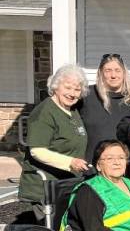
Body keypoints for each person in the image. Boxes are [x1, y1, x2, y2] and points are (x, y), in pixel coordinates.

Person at [19, 64, 89, 219]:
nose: (72, 93)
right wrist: (71, 162)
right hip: (46, 186)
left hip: (65, 183)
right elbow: (37, 151)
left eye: (77, 89)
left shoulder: (72, 110)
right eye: (68, 87)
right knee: (52, 230)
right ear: (56, 87)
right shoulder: (44, 112)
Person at [79, 54, 130, 163]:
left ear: (124, 73)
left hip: (124, 167)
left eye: (117, 70)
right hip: (92, 166)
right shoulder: (86, 96)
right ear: (100, 73)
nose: (113, 75)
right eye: (108, 70)